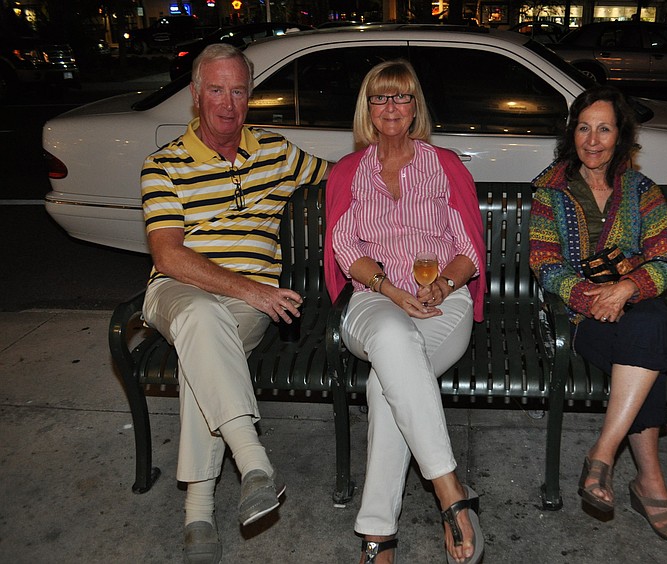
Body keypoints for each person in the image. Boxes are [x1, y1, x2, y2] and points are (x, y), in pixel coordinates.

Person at [140, 43, 329, 563]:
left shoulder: (277, 152)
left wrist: (408, 161)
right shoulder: (164, 165)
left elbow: (342, 178)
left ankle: (198, 512)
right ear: (196, 96)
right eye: (216, 90)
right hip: (177, 290)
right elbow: (168, 255)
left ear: (251, 96)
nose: (228, 103)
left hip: (244, 306)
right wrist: (254, 290)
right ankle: (254, 463)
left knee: (203, 348)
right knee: (200, 314)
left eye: (239, 90)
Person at [324, 59, 486, 564]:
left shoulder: (444, 166)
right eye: (380, 97)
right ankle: (451, 493)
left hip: (443, 304)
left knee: (383, 384)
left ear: (416, 106)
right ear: (367, 110)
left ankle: (379, 534)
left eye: (402, 97)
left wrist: (442, 284)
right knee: (393, 341)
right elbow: (345, 247)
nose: (391, 107)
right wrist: (392, 291)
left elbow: (469, 249)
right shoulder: (350, 172)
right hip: (373, 300)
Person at [528, 85, 667, 543]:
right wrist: (590, 298)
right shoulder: (550, 191)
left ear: (621, 136)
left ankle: (602, 455)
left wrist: (624, 288)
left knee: (649, 324)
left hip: (634, 307)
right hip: (576, 321)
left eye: (604, 128)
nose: (593, 139)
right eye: (584, 128)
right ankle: (649, 484)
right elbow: (546, 264)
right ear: (572, 134)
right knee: (654, 340)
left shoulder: (643, 191)